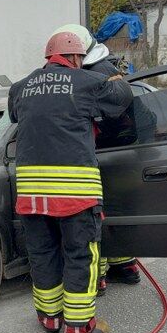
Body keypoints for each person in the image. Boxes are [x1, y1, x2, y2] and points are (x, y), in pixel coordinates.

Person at [8, 30, 133, 333]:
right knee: (80, 254)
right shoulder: (87, 82)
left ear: (48, 57)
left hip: (32, 194)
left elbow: (17, 115)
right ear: (77, 57)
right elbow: (121, 99)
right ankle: (79, 327)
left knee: (43, 253)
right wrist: (116, 75)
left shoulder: (20, 87)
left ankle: (50, 318)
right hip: (75, 193)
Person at [49, 24, 144, 294]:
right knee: (113, 212)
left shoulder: (92, 74)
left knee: (94, 220)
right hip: (124, 151)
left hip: (102, 153)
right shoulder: (108, 67)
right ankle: (125, 266)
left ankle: (98, 277)